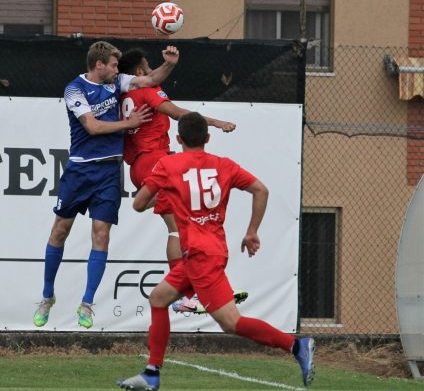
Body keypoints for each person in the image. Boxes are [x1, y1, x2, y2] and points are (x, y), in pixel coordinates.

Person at [117, 112, 315, 390]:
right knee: (159, 298)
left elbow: (138, 204)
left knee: (231, 323)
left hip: (200, 257)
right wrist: (251, 231)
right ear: (208, 138)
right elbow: (261, 190)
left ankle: (296, 346)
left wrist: (166, 193)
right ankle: (151, 373)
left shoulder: (168, 165)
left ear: (178, 139)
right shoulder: (224, 165)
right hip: (208, 251)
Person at [33, 41, 180, 329]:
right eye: (113, 65)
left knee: (101, 236)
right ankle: (47, 296)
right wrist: (129, 124)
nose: (117, 70)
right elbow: (93, 127)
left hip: (109, 172)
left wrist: (171, 64)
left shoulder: (117, 83)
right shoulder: (74, 89)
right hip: (80, 169)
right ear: (98, 65)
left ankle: (86, 304)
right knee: (59, 231)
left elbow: (150, 79)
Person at [117, 48, 246, 314]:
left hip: (140, 164)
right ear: (141, 73)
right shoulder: (147, 91)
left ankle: (190, 292)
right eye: (148, 66)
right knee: (180, 227)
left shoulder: (123, 94)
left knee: (178, 227)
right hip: (155, 160)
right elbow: (179, 114)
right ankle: (188, 293)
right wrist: (216, 122)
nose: (152, 70)